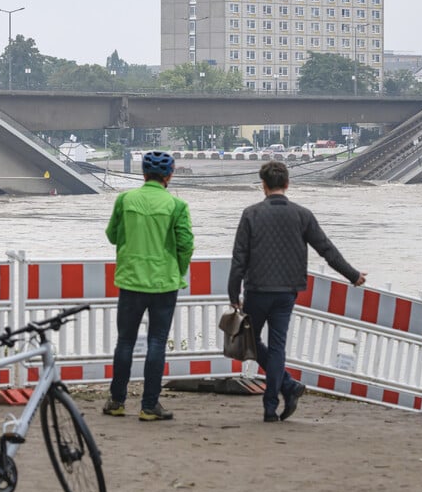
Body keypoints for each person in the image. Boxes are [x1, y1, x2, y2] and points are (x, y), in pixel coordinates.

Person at [228, 160, 366, 423]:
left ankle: (288, 386)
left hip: (257, 290)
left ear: (263, 186)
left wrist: (234, 296)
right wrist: (353, 275)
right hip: (287, 292)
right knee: (278, 347)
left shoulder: (251, 214)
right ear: (287, 184)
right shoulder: (302, 215)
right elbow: (326, 250)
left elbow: (239, 259)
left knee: (251, 342)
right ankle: (274, 403)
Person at [103, 151, 195, 421]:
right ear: (170, 175)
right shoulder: (177, 206)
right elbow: (186, 244)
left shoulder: (125, 199)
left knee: (125, 341)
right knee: (157, 342)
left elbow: (111, 235)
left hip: (131, 280)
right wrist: (177, 268)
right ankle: (149, 405)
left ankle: (117, 401)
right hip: (164, 284)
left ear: (143, 174)